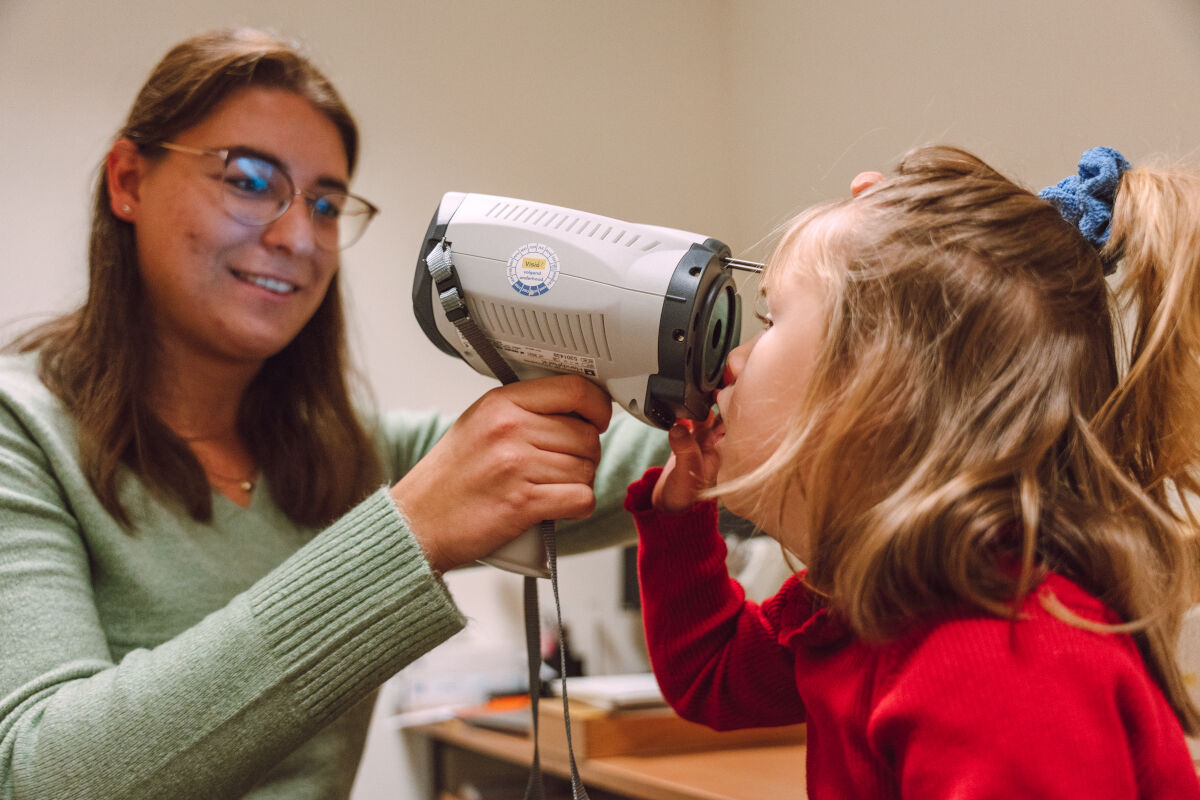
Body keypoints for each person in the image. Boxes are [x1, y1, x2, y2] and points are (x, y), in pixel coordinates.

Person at [0, 28, 667, 799]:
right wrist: (407, 534)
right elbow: (39, 774)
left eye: (325, 204)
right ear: (127, 180)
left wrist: (789, 380)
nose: (297, 237)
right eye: (249, 180)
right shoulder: (22, 432)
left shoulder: (344, 454)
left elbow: (628, 467)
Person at [625, 145, 1200, 796]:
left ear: (878, 391)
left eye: (771, 320)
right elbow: (714, 678)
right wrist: (679, 517)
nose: (732, 361)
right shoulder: (865, 602)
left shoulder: (999, 663)